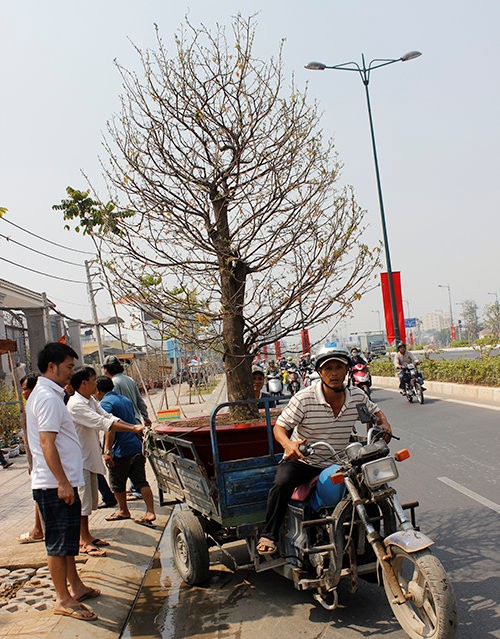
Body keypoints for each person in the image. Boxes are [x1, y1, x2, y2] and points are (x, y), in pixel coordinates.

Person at [256, 347, 392, 555]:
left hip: (340, 461)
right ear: (320, 372)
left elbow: (376, 413)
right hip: (305, 460)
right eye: (328, 368)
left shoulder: (357, 395)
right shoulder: (304, 398)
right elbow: (279, 428)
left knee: (370, 488)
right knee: (281, 483)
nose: (334, 373)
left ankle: (372, 539)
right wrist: (289, 445)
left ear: (347, 370)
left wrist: (384, 424)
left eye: (339, 367)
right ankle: (269, 533)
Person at [26, 342, 99, 621]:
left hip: (60, 481)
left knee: (68, 542)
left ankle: (76, 587)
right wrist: (63, 482)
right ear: (52, 367)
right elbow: (47, 442)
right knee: (57, 545)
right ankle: (63, 599)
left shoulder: (51, 395)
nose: (71, 373)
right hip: (54, 484)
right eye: (68, 367)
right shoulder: (46, 396)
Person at [67, 366, 145, 557]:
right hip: (80, 460)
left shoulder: (90, 400)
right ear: (84, 383)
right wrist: (133, 429)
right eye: (93, 380)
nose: (96, 383)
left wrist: (133, 426)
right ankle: (83, 540)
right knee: (83, 503)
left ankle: (87, 535)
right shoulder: (76, 404)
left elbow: (108, 417)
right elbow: (104, 423)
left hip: (90, 457)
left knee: (89, 501)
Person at [95, 375, 156, 526]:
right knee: (141, 481)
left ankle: (123, 510)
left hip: (121, 450)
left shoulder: (106, 403)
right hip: (135, 446)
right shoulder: (124, 400)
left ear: (98, 390)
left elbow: (110, 428)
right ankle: (150, 511)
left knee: (117, 483)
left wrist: (107, 451)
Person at [18, 373, 45, 544]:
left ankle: (38, 530)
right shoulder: (33, 405)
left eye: (25, 389)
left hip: (44, 461)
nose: (23, 393)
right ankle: (38, 528)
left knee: (41, 493)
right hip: (38, 459)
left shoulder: (40, 403)